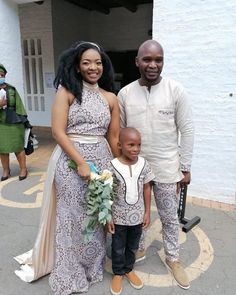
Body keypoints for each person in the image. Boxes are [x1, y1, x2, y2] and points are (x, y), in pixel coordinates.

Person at [14, 41, 120, 295]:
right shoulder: (68, 92)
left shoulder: (111, 98)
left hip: (102, 164)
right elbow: (58, 132)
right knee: (71, 217)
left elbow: (114, 137)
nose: (93, 67)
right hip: (71, 164)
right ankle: (70, 272)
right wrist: (81, 162)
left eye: (97, 62)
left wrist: (122, 170)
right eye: (86, 62)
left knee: (96, 216)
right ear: (77, 65)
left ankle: (91, 266)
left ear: (103, 65)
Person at [117, 40, 194, 290]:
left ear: (163, 62)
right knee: (135, 212)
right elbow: (120, 132)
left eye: (158, 60)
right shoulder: (125, 94)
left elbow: (187, 129)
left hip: (166, 168)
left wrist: (185, 167)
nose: (153, 64)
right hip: (133, 169)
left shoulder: (175, 90)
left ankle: (173, 258)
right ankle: (135, 249)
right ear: (137, 61)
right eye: (147, 59)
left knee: (170, 217)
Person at [107, 127, 155, 295]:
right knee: (118, 246)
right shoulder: (112, 166)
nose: (136, 149)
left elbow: (147, 188)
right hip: (119, 217)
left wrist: (147, 212)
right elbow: (108, 192)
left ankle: (129, 269)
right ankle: (118, 273)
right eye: (131, 144)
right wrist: (108, 217)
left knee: (132, 245)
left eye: (139, 145)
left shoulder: (143, 164)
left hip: (138, 217)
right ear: (120, 145)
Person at [0, 63, 28, 181]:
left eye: (1, 75)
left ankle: (23, 169)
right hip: (1, 124)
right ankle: (6, 170)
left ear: (5, 75)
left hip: (14, 122)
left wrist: (24, 120)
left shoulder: (12, 89)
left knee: (18, 146)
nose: (0, 77)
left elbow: (19, 105)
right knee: (2, 148)